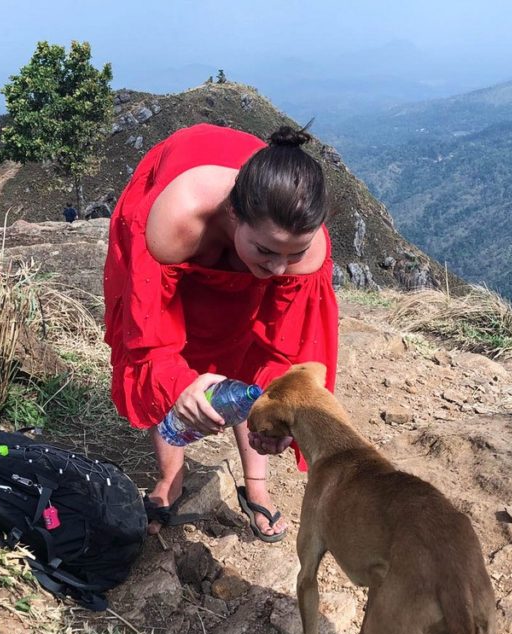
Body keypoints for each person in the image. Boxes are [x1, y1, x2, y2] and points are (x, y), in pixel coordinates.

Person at [103, 123, 339, 541]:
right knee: (183, 351)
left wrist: (285, 417)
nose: (278, 270)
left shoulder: (303, 248)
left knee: (248, 348)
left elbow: (284, 355)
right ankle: (171, 474)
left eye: (294, 253)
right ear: (233, 214)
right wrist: (181, 391)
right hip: (185, 208)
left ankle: (257, 484)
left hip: (250, 208)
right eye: (265, 251)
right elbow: (153, 342)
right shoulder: (177, 221)